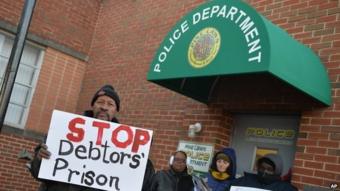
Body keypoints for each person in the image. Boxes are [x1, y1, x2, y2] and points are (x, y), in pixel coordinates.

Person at [29, 85, 155, 191]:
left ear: (115, 110)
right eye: (100, 102)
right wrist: (40, 159)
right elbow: (37, 173)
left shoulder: (128, 146)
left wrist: (142, 163)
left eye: (110, 104)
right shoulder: (63, 131)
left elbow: (141, 186)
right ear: (93, 105)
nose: (104, 107)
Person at [229, 154, 297, 191]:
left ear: (277, 172)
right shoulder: (244, 180)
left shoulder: (286, 189)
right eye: (262, 168)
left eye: (269, 169)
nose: (265, 172)